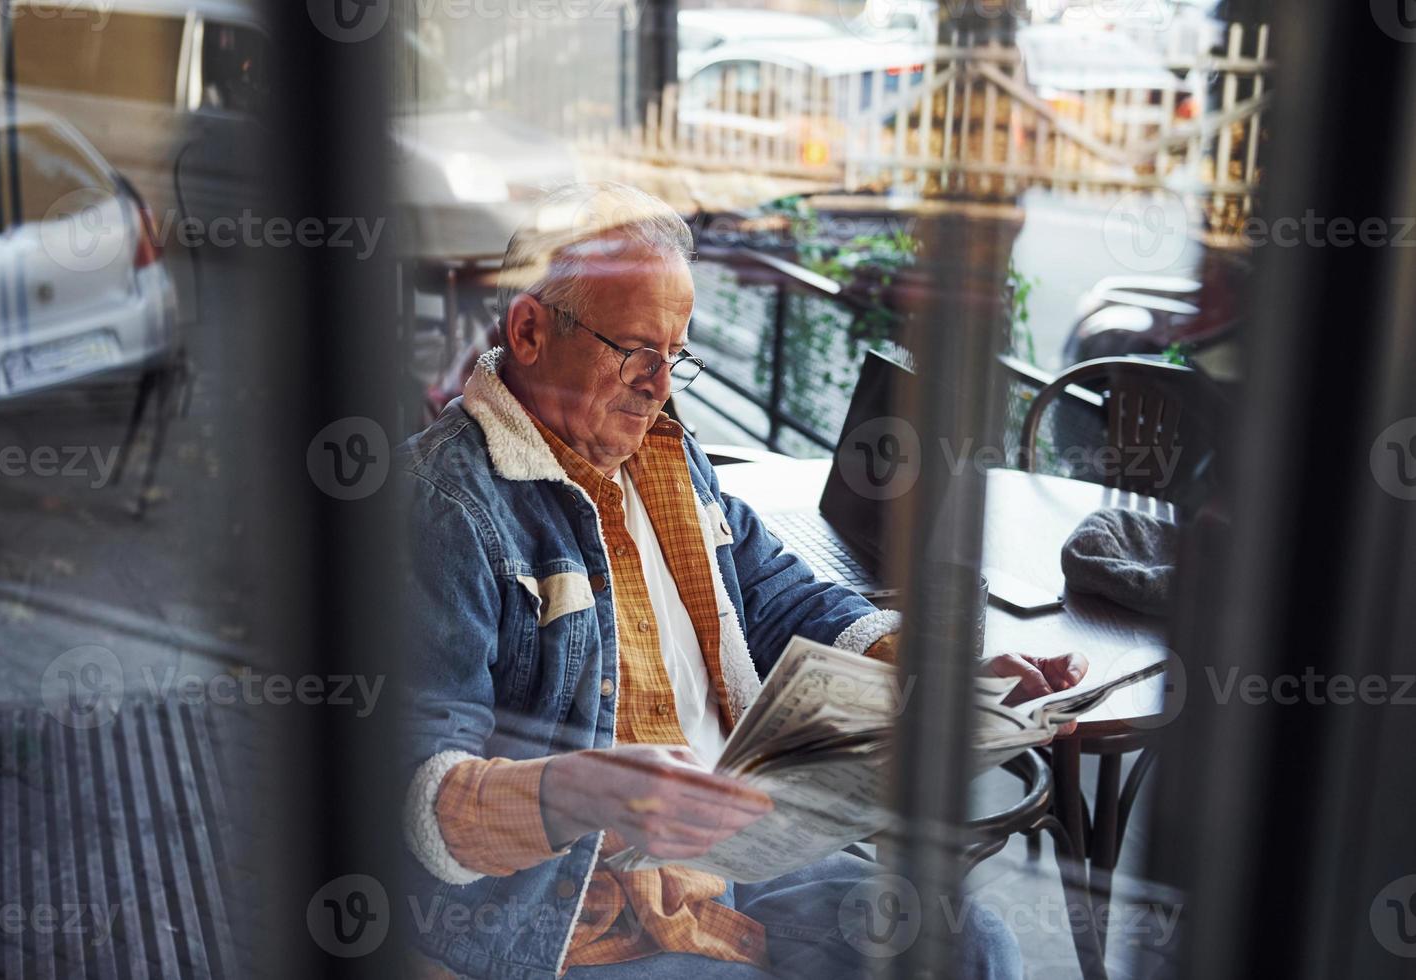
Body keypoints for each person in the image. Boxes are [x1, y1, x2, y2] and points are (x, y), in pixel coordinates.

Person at [399, 182, 1085, 979]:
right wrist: (585, 791)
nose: (659, 386)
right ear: (529, 330)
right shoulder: (445, 506)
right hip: (573, 909)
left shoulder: (662, 450)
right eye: (635, 350)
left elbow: (774, 592)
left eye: (676, 354)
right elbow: (418, 794)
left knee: (973, 944)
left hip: (731, 860)